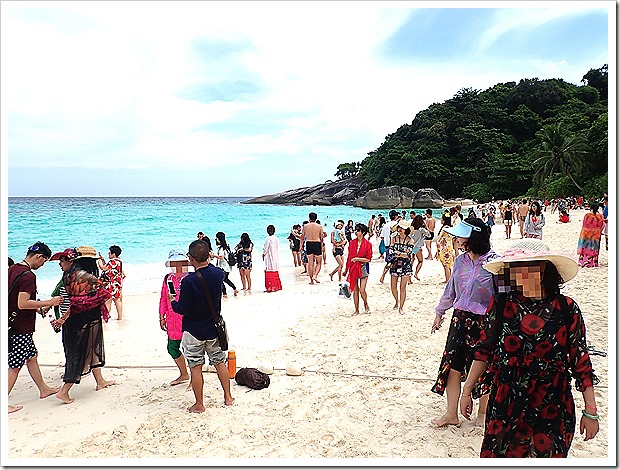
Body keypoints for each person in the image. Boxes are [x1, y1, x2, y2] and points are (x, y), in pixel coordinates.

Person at [460, 240, 599, 457]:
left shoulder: (567, 308)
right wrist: (467, 390)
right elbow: (484, 350)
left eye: (529, 267)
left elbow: (580, 360)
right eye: (516, 268)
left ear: (545, 269)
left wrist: (591, 411)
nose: (521, 274)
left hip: (553, 404)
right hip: (506, 403)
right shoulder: (501, 304)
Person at [430, 218, 498, 428]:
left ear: (473, 238)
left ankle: (483, 414)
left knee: (485, 367)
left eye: (461, 235)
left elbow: (502, 297)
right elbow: (450, 290)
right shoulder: (459, 261)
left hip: (486, 321)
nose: (457, 238)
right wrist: (439, 312)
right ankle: (451, 414)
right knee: (453, 366)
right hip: (460, 318)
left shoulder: (495, 263)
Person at [170, 239, 234, 412]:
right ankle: (228, 397)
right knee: (220, 363)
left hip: (193, 330)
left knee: (196, 368)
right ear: (209, 255)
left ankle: (199, 404)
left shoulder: (189, 281)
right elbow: (219, 274)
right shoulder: (218, 274)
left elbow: (183, 308)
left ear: (191, 259)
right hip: (213, 327)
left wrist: (173, 301)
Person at [55, 246, 115, 404]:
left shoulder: (68, 275)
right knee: (82, 352)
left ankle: (100, 381)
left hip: (74, 318)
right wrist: (103, 268)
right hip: (87, 317)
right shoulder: (86, 276)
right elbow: (107, 288)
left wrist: (62, 319)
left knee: (90, 347)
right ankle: (64, 390)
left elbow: (74, 299)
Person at [8, 242, 63, 413]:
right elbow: (22, 303)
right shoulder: (28, 276)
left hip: (12, 322)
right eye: (44, 261)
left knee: (32, 356)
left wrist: (38, 307)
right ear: (39, 257)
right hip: (19, 327)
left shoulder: (12, 269)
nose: (42, 265)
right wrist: (49, 302)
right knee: (15, 365)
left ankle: (43, 389)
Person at [158, 250, 191, 386]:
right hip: (172, 320)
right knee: (172, 348)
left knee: (190, 350)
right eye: (174, 263)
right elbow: (164, 299)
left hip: (188, 320)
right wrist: (161, 317)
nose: (177, 266)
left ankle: (195, 378)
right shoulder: (168, 279)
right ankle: (184, 374)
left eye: (180, 263)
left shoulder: (191, 278)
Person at [343, 223, 372, 315]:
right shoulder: (352, 243)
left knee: (362, 290)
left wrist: (357, 259)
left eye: (358, 230)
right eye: (355, 230)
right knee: (355, 291)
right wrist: (346, 269)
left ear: (363, 232)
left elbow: (368, 259)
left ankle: (366, 303)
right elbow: (349, 257)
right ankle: (356, 310)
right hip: (353, 268)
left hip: (363, 268)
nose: (356, 232)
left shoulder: (368, 244)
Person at [389, 219, 415, 315]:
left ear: (406, 229)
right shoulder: (394, 238)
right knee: (393, 287)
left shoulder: (410, 240)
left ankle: (401, 307)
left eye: (402, 228)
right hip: (395, 264)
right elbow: (391, 251)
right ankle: (397, 301)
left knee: (403, 287)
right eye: (399, 227)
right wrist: (401, 254)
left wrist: (397, 253)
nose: (399, 229)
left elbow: (408, 255)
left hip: (406, 265)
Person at [97, 245, 125, 320]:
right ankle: (120, 317)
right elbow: (109, 267)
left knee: (108, 300)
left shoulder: (112, 261)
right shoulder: (118, 260)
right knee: (117, 299)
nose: (108, 254)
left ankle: (105, 317)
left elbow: (104, 268)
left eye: (110, 253)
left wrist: (98, 262)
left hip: (111, 283)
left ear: (114, 254)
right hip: (117, 283)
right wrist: (103, 260)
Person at [577, 203, 605, 268]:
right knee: (594, 248)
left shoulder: (587, 215)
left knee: (586, 247)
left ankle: (584, 261)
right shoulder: (600, 216)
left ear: (591, 208)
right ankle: (594, 262)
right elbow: (602, 226)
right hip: (596, 234)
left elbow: (584, 225)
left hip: (586, 234)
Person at [300, 212, 323, 284]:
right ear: (316, 219)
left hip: (309, 243)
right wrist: (322, 246)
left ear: (309, 218)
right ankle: (315, 275)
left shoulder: (305, 226)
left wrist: (300, 246)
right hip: (317, 243)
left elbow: (302, 237)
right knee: (319, 262)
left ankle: (311, 280)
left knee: (310, 263)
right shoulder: (319, 226)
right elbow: (321, 238)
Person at [213, 232, 239, 298]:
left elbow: (221, 257)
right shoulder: (226, 246)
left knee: (220, 280)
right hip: (227, 267)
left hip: (224, 267)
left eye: (217, 238)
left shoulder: (222, 248)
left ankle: (225, 294)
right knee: (225, 279)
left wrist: (213, 255)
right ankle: (234, 289)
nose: (216, 239)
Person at [435, 212, 458, 283]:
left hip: (444, 248)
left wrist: (437, 245)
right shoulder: (451, 227)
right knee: (448, 264)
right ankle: (449, 279)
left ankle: (447, 280)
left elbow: (439, 238)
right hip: (449, 247)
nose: (441, 220)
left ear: (444, 220)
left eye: (442, 219)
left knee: (445, 265)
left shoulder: (445, 228)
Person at [379, 210, 400, 284]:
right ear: (396, 216)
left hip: (388, 246)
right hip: (397, 245)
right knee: (398, 262)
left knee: (389, 262)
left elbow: (382, 237)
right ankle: (396, 278)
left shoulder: (386, 225)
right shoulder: (398, 225)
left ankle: (383, 275)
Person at [262, 224, 282, 292]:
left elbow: (266, 248)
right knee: (275, 269)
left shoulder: (268, 238)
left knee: (269, 270)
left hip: (269, 256)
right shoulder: (276, 238)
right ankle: (276, 286)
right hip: (275, 256)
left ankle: (270, 287)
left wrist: (263, 254)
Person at [411, 215, 431, 281]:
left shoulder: (412, 229)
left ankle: (409, 279)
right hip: (417, 247)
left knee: (411, 262)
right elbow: (429, 234)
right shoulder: (421, 230)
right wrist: (425, 226)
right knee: (420, 261)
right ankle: (416, 274)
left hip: (410, 247)